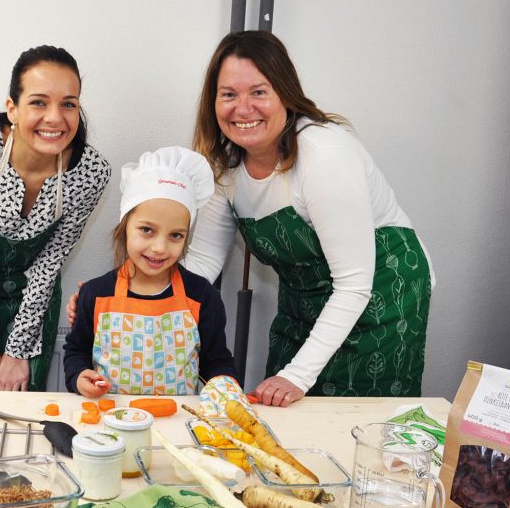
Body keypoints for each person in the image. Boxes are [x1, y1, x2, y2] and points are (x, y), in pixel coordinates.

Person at [184, 30, 434, 406]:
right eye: (229, 94)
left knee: (355, 428)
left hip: (382, 295)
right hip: (303, 304)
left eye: (259, 92)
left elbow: (353, 283)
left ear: (285, 92)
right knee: (285, 421)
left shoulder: (323, 153)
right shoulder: (226, 167)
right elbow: (202, 264)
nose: (243, 108)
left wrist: (296, 376)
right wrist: (122, 295)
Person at [0, 45, 111, 391]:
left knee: (24, 403)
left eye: (68, 104)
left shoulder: (91, 172)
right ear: (12, 109)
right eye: (39, 102)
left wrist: (17, 351)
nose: (55, 118)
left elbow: (49, 264)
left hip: (33, 293)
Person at [63, 146, 239, 398]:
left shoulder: (202, 296)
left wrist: (225, 387)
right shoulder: (96, 294)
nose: (159, 248)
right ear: (124, 227)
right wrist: (79, 377)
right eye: (147, 230)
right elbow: (76, 352)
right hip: (111, 420)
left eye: (175, 235)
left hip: (179, 423)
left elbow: (216, 361)